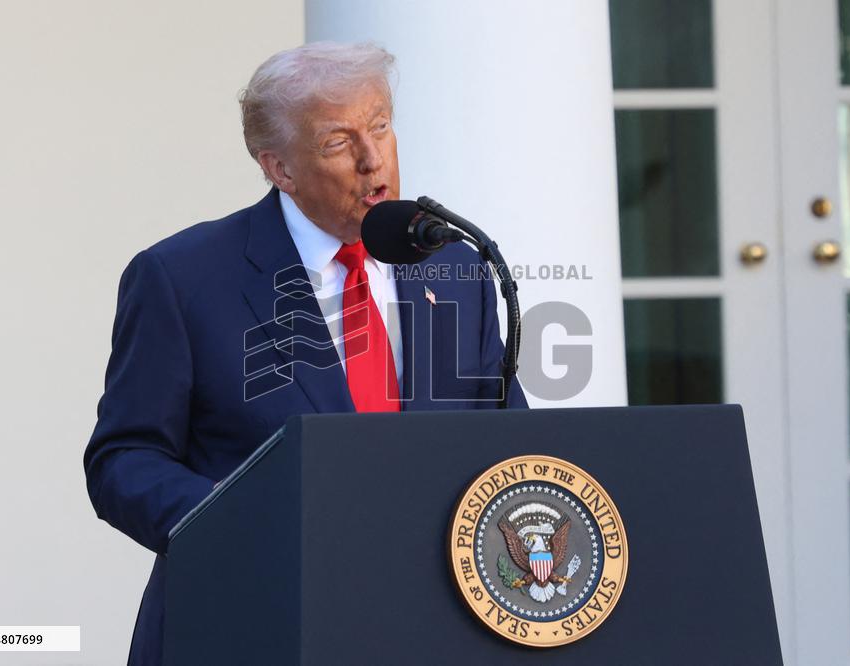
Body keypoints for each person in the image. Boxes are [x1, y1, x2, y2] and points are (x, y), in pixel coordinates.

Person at [84, 41, 526, 665]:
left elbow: (511, 442)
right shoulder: (183, 278)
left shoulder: (454, 266)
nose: (374, 160)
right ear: (279, 168)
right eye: (338, 142)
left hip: (430, 628)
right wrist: (243, 522)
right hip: (253, 624)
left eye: (380, 126)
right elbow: (123, 461)